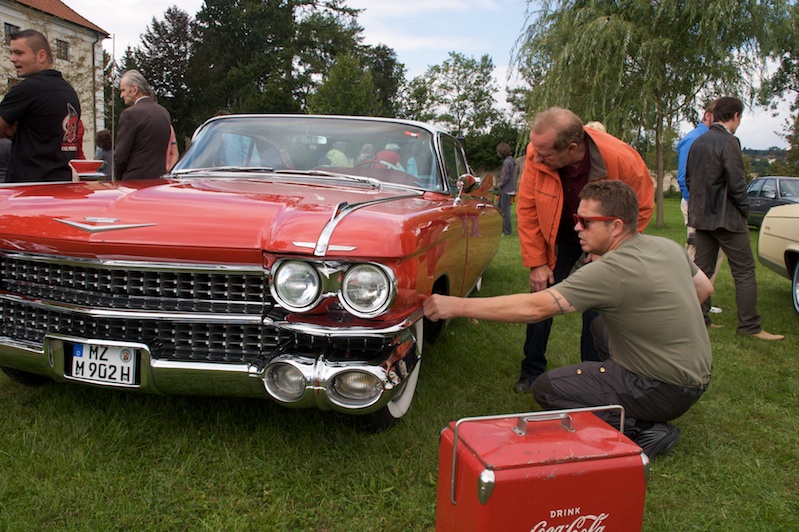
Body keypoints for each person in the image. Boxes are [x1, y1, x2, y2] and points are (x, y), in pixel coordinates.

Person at [424, 180, 713, 460]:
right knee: (599, 325)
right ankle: (622, 392)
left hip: (661, 389)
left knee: (549, 389)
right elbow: (704, 288)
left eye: (586, 222)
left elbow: (536, 308)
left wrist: (456, 306)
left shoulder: (611, 270)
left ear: (616, 226)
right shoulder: (666, 247)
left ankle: (643, 429)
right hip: (696, 376)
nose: (576, 227)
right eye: (577, 219)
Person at [514, 107, 655, 393]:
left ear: (572, 148)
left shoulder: (622, 159)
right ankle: (531, 370)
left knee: (597, 306)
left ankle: (593, 376)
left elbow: (641, 207)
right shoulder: (536, 153)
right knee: (543, 294)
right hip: (559, 233)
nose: (535, 158)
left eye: (544, 154)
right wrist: (538, 262)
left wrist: (609, 248)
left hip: (603, 237)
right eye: (535, 150)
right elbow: (527, 210)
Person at [685, 96, 783, 341]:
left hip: (702, 217)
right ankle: (750, 326)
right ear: (736, 116)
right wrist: (745, 210)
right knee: (744, 271)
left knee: (702, 271)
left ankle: (698, 319)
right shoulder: (730, 142)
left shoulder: (698, 141)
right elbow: (737, 183)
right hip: (727, 218)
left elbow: (688, 179)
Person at [0, 29, 81, 182]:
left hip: (28, 187)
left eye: (19, 53)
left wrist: (9, 131)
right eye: (11, 53)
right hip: (61, 183)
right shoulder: (69, 91)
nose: (12, 59)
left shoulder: (28, 89)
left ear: (41, 56)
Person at [677, 101, 725, 306]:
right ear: (708, 115)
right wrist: (696, 207)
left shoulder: (713, 139)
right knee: (695, 252)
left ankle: (701, 302)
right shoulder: (693, 139)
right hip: (696, 207)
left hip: (711, 208)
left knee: (714, 253)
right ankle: (686, 302)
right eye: (719, 116)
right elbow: (683, 177)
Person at [115, 70, 172, 180]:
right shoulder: (164, 113)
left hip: (134, 181)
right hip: (159, 180)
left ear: (134, 89)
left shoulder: (129, 115)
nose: (121, 95)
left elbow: (120, 157)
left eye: (123, 90)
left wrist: (118, 179)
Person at [496, 143, 516, 236]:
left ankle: (507, 231)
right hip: (508, 189)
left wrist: (499, 185)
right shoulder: (511, 161)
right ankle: (501, 228)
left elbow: (505, 177)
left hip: (505, 190)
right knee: (499, 209)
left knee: (505, 212)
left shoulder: (507, 162)